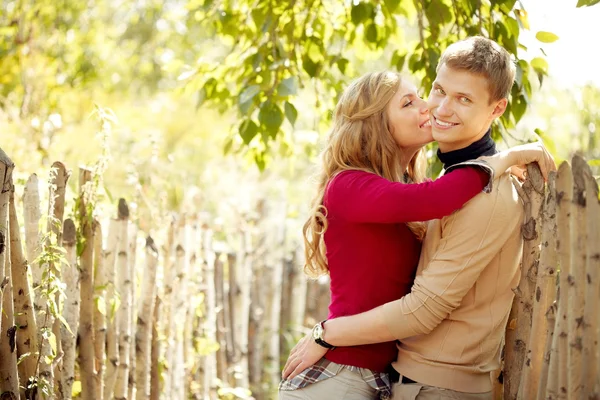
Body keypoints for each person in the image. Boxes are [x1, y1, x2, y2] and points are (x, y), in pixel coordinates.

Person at [280, 37, 555, 400]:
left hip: (387, 378)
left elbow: (424, 302)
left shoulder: (442, 190)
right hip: (340, 372)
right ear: (377, 124)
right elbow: (439, 198)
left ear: (495, 109)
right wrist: (504, 158)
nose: (433, 108)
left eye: (464, 98)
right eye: (429, 94)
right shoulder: (353, 185)